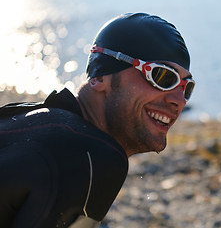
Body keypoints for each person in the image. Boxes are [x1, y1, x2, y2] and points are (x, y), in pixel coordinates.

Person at [0, 13, 195, 228]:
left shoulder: (26, 119)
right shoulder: (91, 155)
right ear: (101, 77)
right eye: (163, 77)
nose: (179, 101)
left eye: (186, 88)